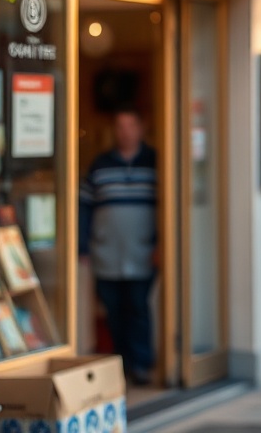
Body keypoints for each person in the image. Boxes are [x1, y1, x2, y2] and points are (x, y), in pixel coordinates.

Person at [79, 108, 158, 386]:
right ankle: (120, 364)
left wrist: (161, 245)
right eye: (119, 126)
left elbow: (168, 210)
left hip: (142, 252)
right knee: (113, 311)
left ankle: (142, 364)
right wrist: (82, 246)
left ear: (140, 129)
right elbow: (84, 207)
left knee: (138, 307)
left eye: (130, 126)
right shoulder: (100, 164)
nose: (124, 132)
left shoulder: (154, 162)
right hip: (106, 253)